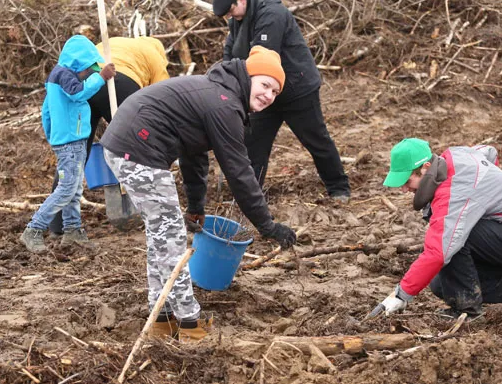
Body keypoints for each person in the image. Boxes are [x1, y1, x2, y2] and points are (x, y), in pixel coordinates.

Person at [101, 46, 297, 341]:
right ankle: (190, 323)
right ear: (248, 76)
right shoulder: (223, 104)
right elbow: (239, 171)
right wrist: (267, 226)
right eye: (265, 84)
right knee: (171, 242)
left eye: (275, 92)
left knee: (162, 236)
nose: (269, 95)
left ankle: (161, 318)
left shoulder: (218, 94)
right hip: (139, 149)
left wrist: (195, 207)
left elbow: (194, 155)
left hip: (127, 147)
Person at [373, 138, 502, 320]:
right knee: (441, 285)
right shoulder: (452, 157)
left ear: (426, 167)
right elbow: (488, 152)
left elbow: (438, 252)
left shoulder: (454, 190)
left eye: (407, 181)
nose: (403, 189)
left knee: (453, 238)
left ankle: (468, 311)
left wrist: (401, 295)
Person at [212, 0, 351, 202]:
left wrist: (240, 85)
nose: (231, 17)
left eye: (231, 11)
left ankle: (338, 188)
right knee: (254, 144)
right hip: (264, 92)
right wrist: (224, 78)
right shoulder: (238, 17)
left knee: (316, 139)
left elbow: (263, 58)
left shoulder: (271, 14)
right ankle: (250, 197)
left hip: (297, 88)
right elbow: (231, 52)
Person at [49, 36, 170, 235]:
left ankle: (57, 223)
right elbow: (162, 95)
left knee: (76, 153)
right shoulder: (154, 55)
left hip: (87, 80)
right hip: (121, 82)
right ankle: (153, 209)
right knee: (139, 147)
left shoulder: (118, 43)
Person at [19, 36, 116, 253]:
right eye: (86, 71)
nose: (88, 75)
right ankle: (33, 229)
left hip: (74, 140)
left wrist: (53, 134)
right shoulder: (63, 75)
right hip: (69, 142)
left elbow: (46, 111)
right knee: (66, 189)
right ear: (77, 64)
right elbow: (78, 92)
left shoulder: (59, 76)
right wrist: (101, 77)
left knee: (74, 189)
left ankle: (72, 230)